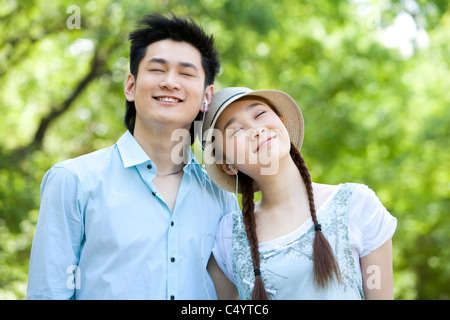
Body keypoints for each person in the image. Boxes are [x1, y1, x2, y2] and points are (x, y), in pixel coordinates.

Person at [27, 13, 239, 300]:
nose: (170, 82)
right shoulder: (73, 181)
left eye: (186, 74)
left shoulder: (221, 193)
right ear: (130, 86)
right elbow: (48, 293)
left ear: (206, 97)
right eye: (157, 69)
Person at [203, 87, 397, 300]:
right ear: (227, 165)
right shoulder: (228, 236)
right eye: (236, 131)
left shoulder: (356, 204)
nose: (256, 130)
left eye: (260, 114)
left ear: (282, 122)